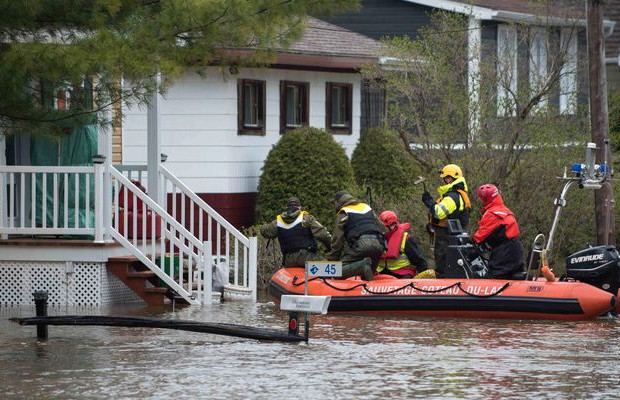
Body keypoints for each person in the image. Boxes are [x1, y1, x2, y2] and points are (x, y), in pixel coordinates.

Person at [421, 164, 471, 277]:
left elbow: (439, 213)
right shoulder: (459, 194)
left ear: (449, 178)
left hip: (446, 239)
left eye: (445, 178)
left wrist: (429, 201)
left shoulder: (452, 196)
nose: (444, 180)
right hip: (453, 237)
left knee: (443, 268)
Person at [326, 190, 386, 281]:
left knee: (336, 271)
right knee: (368, 276)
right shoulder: (366, 207)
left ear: (337, 202)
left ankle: (362, 266)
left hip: (361, 245)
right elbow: (382, 228)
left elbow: (337, 240)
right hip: (378, 246)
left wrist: (331, 261)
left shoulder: (344, 212)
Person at [260, 196, 332, 268]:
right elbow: (324, 235)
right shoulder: (306, 218)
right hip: (307, 257)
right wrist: (331, 248)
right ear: (299, 207)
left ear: (286, 207)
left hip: (288, 260)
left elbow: (264, 231)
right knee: (330, 268)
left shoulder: (278, 222)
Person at [473, 184, 525, 278]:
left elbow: (478, 237)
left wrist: (469, 243)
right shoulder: (504, 209)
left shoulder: (492, 214)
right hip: (516, 252)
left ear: (485, 199)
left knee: (494, 277)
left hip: (504, 254)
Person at [377, 210, 430, 279]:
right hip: (381, 272)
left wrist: (424, 278)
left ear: (393, 225)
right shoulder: (376, 238)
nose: (383, 229)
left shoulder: (406, 238)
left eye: (385, 226)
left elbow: (419, 260)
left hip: (402, 272)